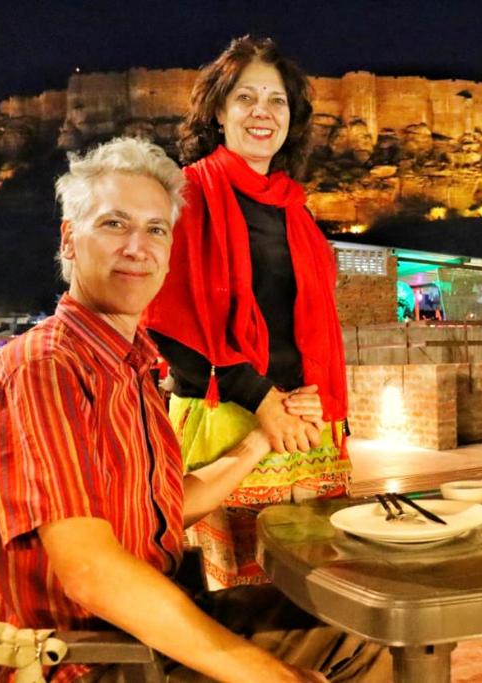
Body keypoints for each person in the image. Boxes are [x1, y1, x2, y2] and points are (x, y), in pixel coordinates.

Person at [0, 137, 387, 683]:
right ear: (69, 239)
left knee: (363, 621)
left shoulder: (127, 366)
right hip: (91, 662)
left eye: (156, 229)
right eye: (114, 224)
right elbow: (91, 573)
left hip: (140, 637)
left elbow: (164, 507)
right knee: (355, 648)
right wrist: (268, 676)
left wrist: (262, 437)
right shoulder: (45, 368)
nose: (139, 246)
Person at [143, 37, 352, 588]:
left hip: (305, 429)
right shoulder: (188, 196)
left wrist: (309, 394)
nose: (263, 112)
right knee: (242, 608)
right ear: (218, 110)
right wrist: (265, 403)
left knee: (323, 602)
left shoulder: (294, 208)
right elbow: (166, 324)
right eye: (245, 98)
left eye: (277, 100)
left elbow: (305, 328)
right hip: (226, 427)